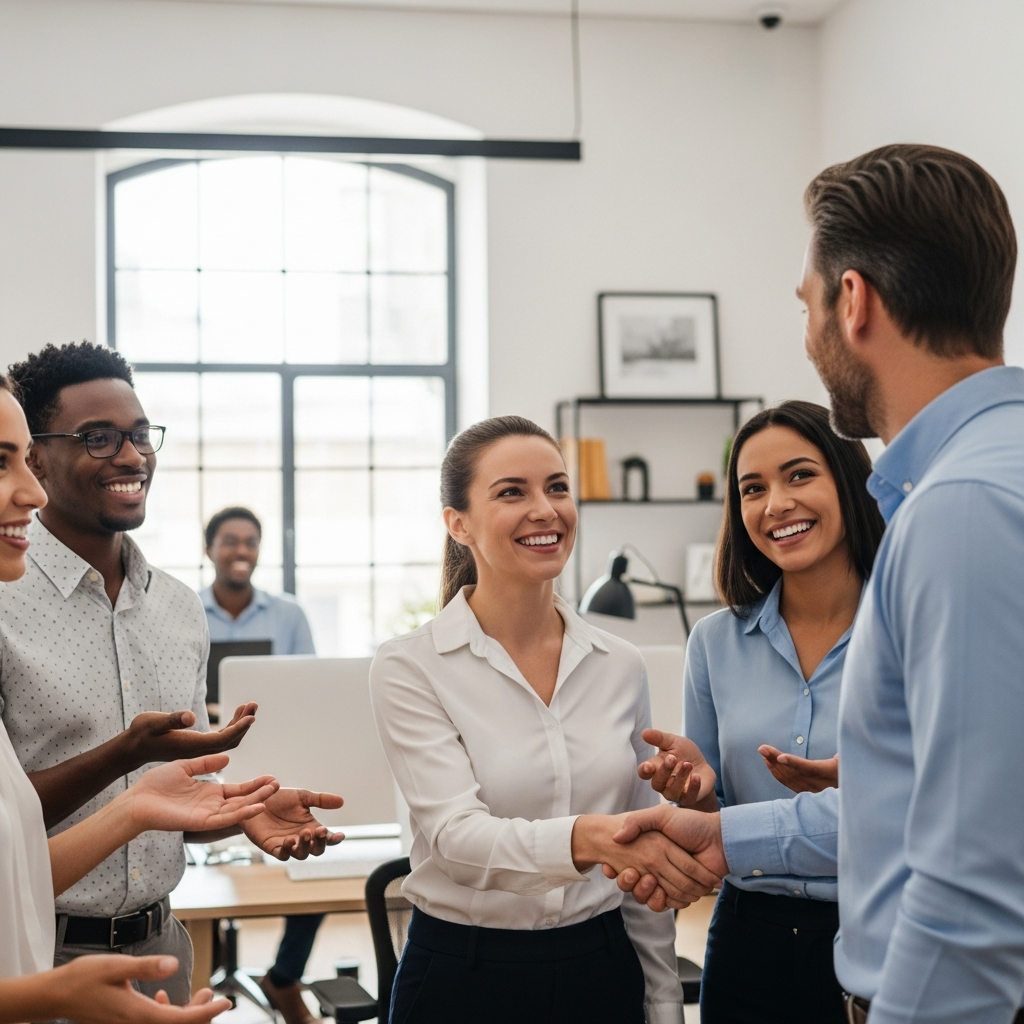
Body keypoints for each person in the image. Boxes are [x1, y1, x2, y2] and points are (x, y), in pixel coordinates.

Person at [612, 145, 1024, 1024]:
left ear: (852, 300)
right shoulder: (992, 474)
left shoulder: (960, 509)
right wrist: (881, 773)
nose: (808, 336)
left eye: (805, 304)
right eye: (751, 487)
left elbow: (971, 878)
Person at [0, 341, 341, 1013]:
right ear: (37, 456)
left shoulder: (180, 608)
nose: (130, 457)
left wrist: (241, 810)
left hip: (161, 943)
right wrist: (124, 754)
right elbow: (9, 823)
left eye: (137, 435)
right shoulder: (4, 594)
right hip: (37, 950)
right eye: (98, 438)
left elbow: (174, 803)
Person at [370, 415, 720, 1024]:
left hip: (601, 965)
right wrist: (588, 838)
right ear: (458, 523)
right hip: (464, 976)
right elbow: (457, 841)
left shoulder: (620, 664)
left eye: (557, 488)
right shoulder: (411, 666)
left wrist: (664, 1003)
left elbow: (642, 867)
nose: (546, 509)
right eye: (513, 492)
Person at [645, 400, 883, 1024]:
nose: (775, 503)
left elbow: (909, 811)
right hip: (747, 943)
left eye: (799, 475)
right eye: (753, 489)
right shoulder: (714, 643)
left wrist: (720, 831)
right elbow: (712, 819)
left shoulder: (910, 629)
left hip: (878, 937)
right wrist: (696, 793)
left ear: (849, 480)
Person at [199, 506, 320, 1024]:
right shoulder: (186, 611)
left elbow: (306, 688)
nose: (241, 551)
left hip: (275, 748)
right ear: (210, 549)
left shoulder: (288, 614)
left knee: (313, 858)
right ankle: (202, 983)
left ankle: (284, 976)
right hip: (201, 750)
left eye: (250, 542)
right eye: (230, 541)